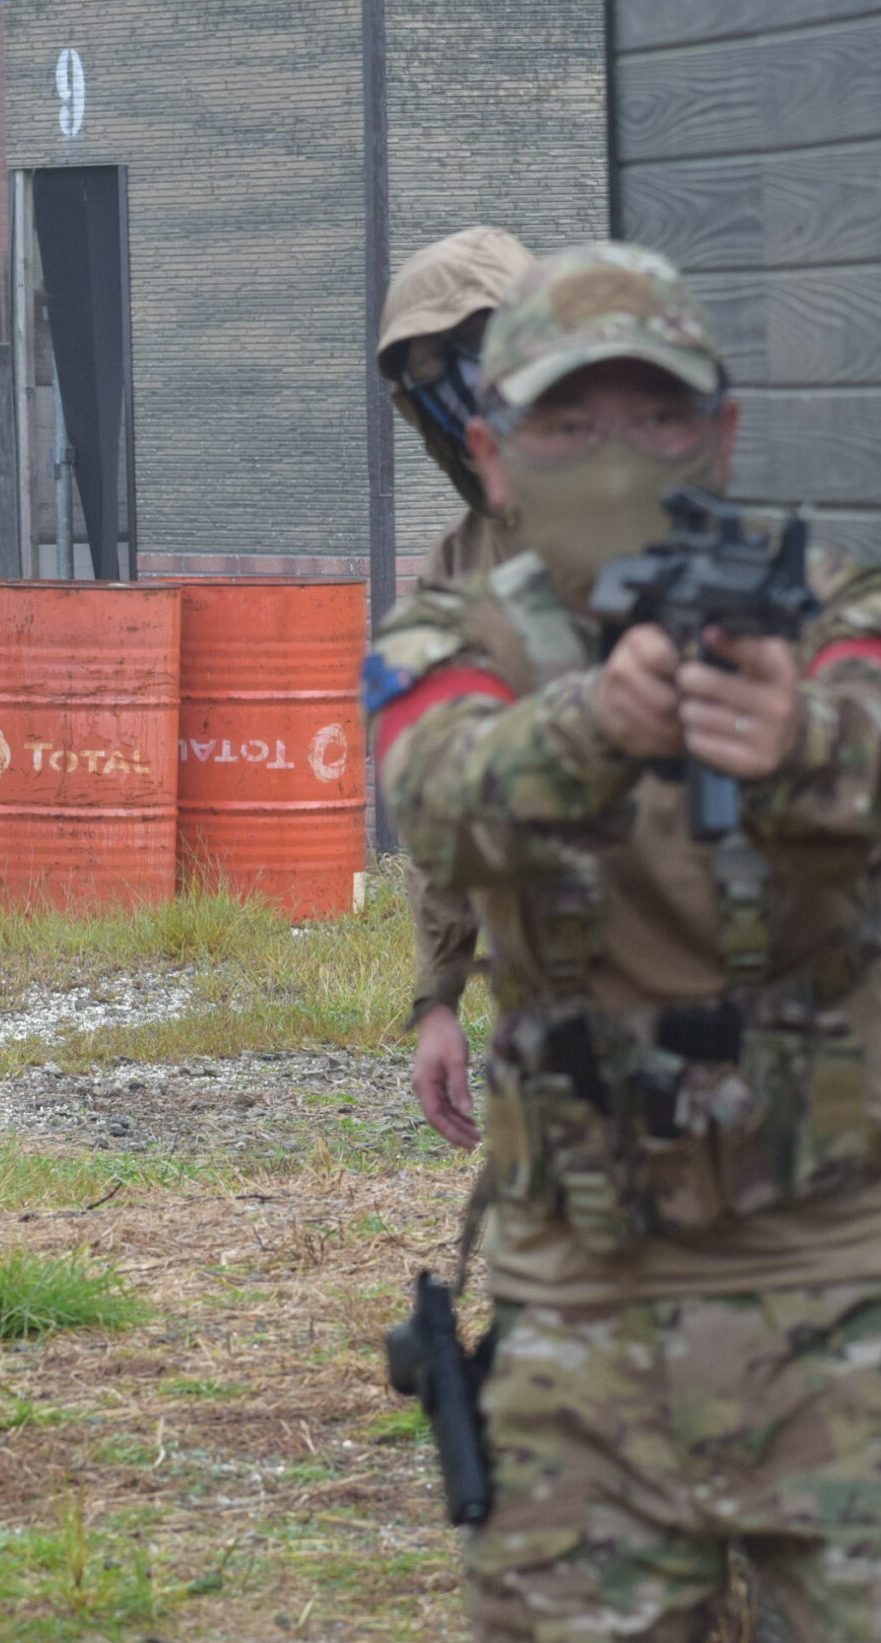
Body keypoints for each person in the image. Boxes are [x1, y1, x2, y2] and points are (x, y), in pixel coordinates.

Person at [364, 245, 881, 1643]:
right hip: (586, 1306)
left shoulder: (848, 608)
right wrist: (599, 721)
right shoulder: (448, 628)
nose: (616, 457)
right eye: (570, 423)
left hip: (843, 1295)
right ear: (492, 452)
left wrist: (792, 739)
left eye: (656, 415)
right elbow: (441, 796)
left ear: (722, 434)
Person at [376, 225, 534, 1156]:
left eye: (473, 357)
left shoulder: (655, 508)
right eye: (432, 379)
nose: (463, 395)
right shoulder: (458, 571)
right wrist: (439, 997)